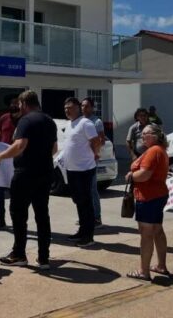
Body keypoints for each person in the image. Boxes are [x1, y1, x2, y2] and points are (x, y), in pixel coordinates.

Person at [0, 91, 58, 269]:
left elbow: (20, 146)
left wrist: (0, 156)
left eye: (19, 104)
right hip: (45, 173)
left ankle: (19, 254)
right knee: (42, 214)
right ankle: (44, 258)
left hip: (25, 174)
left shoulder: (26, 121)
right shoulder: (49, 121)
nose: (18, 107)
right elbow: (54, 149)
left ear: (23, 103)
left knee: (18, 213)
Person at [125, 124, 169, 281]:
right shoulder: (159, 150)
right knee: (157, 230)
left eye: (145, 134)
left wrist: (131, 176)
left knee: (146, 234)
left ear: (155, 135)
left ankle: (144, 271)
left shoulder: (153, 151)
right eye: (141, 134)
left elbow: (145, 175)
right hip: (157, 195)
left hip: (149, 197)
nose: (142, 136)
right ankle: (161, 265)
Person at [63, 97, 101, 247]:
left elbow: (96, 142)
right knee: (78, 202)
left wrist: (95, 155)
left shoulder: (86, 123)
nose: (67, 110)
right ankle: (82, 231)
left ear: (78, 108)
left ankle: (88, 236)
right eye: (65, 108)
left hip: (84, 170)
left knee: (86, 203)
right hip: (72, 170)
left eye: (70, 107)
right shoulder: (69, 124)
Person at [0, 95, 20, 232]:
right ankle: (0, 220)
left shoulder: (24, 119)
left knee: (15, 194)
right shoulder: (4, 118)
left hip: (17, 160)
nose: (14, 105)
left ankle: (17, 221)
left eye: (16, 102)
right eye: (12, 103)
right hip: (2, 159)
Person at [81, 97, 106, 228]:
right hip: (81, 161)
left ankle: (97, 217)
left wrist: (95, 153)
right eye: (82, 106)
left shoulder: (96, 122)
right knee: (83, 190)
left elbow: (101, 140)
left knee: (92, 189)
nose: (83, 108)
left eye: (86, 106)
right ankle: (86, 216)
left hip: (91, 160)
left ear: (91, 108)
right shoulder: (80, 121)